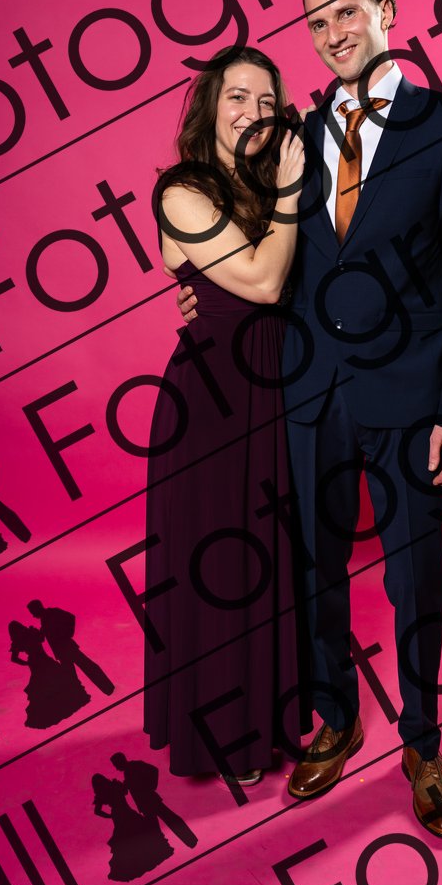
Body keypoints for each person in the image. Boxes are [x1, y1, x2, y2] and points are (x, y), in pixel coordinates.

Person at [177, 0, 442, 836]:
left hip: (411, 398)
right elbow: (246, 234)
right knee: (313, 570)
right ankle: (336, 717)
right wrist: (195, 285)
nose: (331, 34)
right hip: (310, 391)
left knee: (413, 575)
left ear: (385, 9)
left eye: (346, 12)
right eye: (316, 23)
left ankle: (422, 745)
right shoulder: (294, 135)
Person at [144, 45, 307, 786]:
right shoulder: (182, 190)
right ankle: (222, 739)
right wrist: (292, 192)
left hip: (275, 391)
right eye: (238, 96)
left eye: (267, 101)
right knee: (221, 566)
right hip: (210, 403)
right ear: (210, 107)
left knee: (270, 560)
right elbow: (265, 283)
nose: (253, 112)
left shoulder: (268, 183)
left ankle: (267, 724)